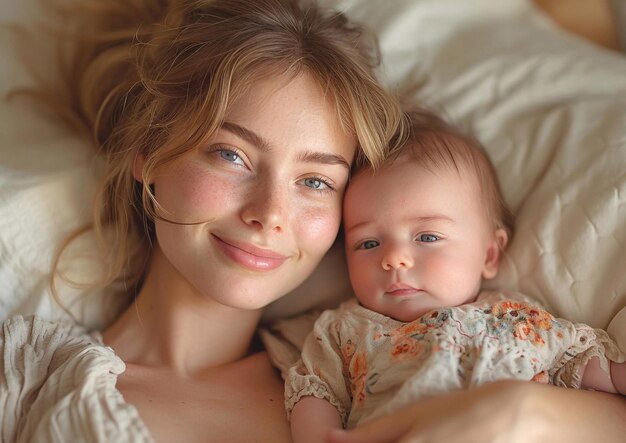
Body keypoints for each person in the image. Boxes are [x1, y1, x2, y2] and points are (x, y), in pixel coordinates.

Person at [0, 0, 404, 441]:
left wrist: (491, 411)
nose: (269, 214)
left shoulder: (372, 370)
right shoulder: (28, 381)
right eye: (232, 155)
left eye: (315, 182)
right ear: (150, 152)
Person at [286, 109, 626, 442]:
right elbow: (315, 390)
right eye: (368, 243)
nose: (393, 259)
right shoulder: (344, 330)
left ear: (489, 254)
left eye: (427, 237)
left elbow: (579, 362)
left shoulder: (514, 316)